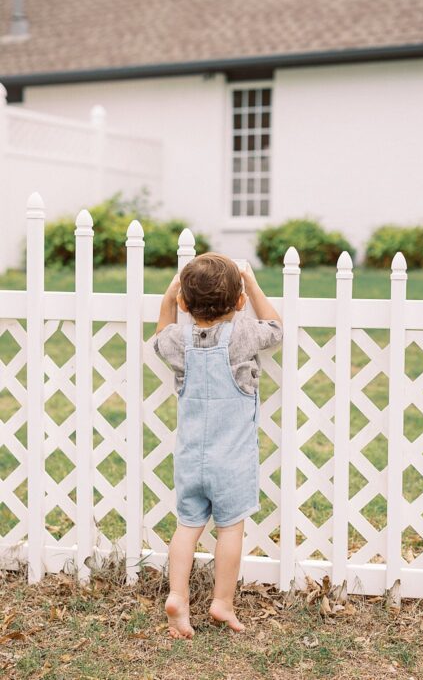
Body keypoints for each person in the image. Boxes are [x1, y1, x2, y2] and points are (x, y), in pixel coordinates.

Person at [152, 252, 283, 639]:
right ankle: (221, 601)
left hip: (191, 459)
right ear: (239, 302)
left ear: (184, 305)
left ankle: (178, 595)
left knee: (187, 527)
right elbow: (274, 328)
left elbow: (160, 335)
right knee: (230, 530)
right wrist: (253, 284)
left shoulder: (179, 342)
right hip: (233, 462)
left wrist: (167, 299)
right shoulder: (242, 336)